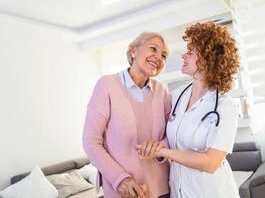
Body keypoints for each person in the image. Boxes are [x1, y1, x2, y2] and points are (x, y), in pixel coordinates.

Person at [136, 22, 240, 197]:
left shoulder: (225, 106)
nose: (184, 55)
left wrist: (163, 152)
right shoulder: (176, 97)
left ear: (208, 59)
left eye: (191, 52)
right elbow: (170, 138)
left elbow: (211, 162)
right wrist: (159, 147)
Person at [82, 32, 171, 198]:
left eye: (164, 55)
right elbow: (91, 141)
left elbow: (170, 135)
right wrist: (120, 180)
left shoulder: (162, 91)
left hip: (162, 189)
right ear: (133, 51)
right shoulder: (107, 85)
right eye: (153, 49)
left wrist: (161, 146)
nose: (159, 57)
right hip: (123, 191)